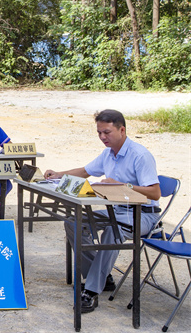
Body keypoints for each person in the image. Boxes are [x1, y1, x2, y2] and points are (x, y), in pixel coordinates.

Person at [44, 109, 161, 314]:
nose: (102, 137)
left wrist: (124, 186)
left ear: (122, 130)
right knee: (73, 222)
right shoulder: (108, 153)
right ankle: (101, 277)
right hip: (117, 210)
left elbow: (155, 193)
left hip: (143, 213)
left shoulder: (140, 155)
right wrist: (58, 174)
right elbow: (86, 171)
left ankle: (90, 291)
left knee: (112, 232)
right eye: (99, 133)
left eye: (106, 132)